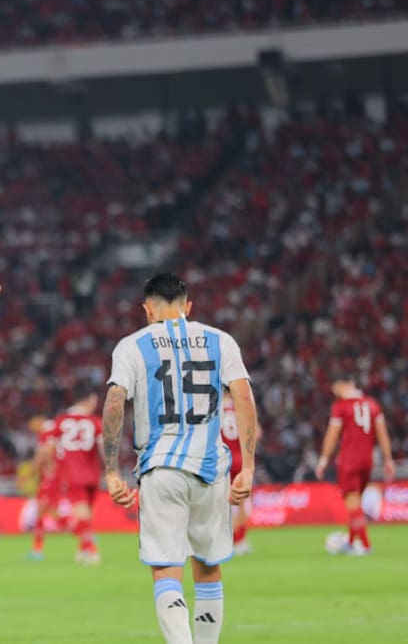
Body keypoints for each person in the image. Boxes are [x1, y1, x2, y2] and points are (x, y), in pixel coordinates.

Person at [103, 272, 258, 644]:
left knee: (166, 569)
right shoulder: (222, 341)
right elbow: (243, 397)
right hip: (211, 469)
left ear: (147, 310)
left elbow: (114, 403)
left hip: (162, 469)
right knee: (208, 567)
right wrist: (249, 466)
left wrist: (111, 470)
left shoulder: (132, 346)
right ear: (188, 306)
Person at [314, 374, 395, 555]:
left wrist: (324, 459)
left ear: (344, 385)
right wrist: (388, 459)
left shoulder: (341, 406)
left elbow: (332, 434)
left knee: (352, 503)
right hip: (367, 461)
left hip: (348, 461)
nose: (334, 391)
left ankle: (365, 545)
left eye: (336, 387)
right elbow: (382, 434)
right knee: (356, 502)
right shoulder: (373, 404)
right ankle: (351, 542)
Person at [46, 387, 104, 565]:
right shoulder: (95, 422)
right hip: (92, 473)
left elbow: (49, 447)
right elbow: (104, 448)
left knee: (82, 514)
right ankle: (85, 549)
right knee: (87, 513)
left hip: (71, 473)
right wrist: (110, 469)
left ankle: (90, 550)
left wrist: (50, 467)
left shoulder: (60, 421)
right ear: (90, 400)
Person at [219, 388, 261, 555]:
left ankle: (225, 540)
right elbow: (257, 433)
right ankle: (239, 540)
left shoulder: (214, 407)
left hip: (222, 460)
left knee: (223, 503)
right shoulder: (241, 406)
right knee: (243, 503)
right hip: (241, 459)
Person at [27, 415, 61, 561]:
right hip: (53, 478)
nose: (33, 430)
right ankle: (84, 532)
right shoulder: (54, 430)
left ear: (38, 422)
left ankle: (37, 550)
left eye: (32, 427)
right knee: (51, 512)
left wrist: (33, 470)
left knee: (41, 513)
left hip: (49, 479)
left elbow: (45, 453)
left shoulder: (47, 432)